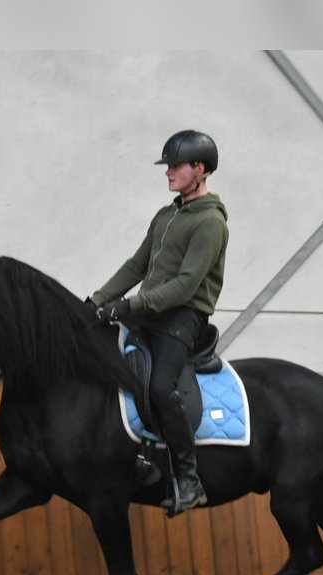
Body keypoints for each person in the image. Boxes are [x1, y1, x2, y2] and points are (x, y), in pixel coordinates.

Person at [90, 129, 229, 515]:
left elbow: (185, 286)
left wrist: (130, 306)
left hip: (183, 318)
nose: (168, 173)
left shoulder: (210, 222)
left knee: (160, 385)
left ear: (199, 169)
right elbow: (137, 265)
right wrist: (97, 301)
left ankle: (187, 478)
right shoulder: (167, 215)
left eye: (175, 166)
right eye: (167, 166)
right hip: (151, 314)